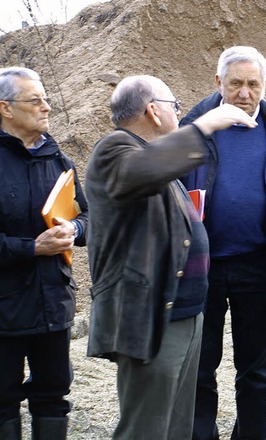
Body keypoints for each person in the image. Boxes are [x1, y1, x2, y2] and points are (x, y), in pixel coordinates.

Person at [84, 75, 257, 440]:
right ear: (153, 110)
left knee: (177, 426)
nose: (180, 113)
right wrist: (205, 125)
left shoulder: (155, 156)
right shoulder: (114, 150)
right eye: (175, 106)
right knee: (146, 429)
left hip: (183, 313)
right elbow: (143, 172)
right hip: (151, 316)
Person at [179, 46, 266, 440]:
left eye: (253, 84)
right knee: (199, 366)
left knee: (255, 370)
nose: (244, 92)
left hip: (259, 266)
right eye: (235, 83)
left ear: (264, 86)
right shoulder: (193, 128)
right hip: (200, 266)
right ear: (218, 81)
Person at [0, 67, 88, 440]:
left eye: (46, 98)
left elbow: (88, 215)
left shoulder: (58, 159)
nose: (46, 107)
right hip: (4, 309)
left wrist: (76, 229)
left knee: (53, 396)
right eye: (35, 100)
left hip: (53, 304)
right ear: (5, 108)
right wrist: (31, 247)